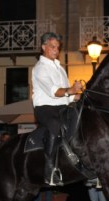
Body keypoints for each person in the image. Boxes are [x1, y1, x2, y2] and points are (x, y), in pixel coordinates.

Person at [31, 32, 82, 186]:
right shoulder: (40, 68)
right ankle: (49, 170)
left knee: (82, 117)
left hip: (62, 107)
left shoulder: (60, 68)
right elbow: (53, 91)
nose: (56, 50)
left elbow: (66, 96)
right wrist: (70, 90)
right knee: (54, 124)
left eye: (58, 48)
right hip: (45, 108)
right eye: (52, 47)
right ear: (43, 47)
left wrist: (77, 96)